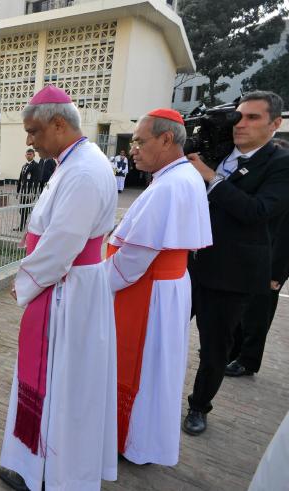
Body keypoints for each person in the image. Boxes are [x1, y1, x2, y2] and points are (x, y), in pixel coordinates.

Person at [0, 85, 118, 491]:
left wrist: (25, 280)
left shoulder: (83, 170)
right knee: (53, 381)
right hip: (63, 286)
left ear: (59, 124)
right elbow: (53, 227)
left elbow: (63, 243)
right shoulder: (73, 161)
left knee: (64, 385)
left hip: (68, 290)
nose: (29, 140)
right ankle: (36, 463)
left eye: (33, 131)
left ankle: (56, 472)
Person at [105, 108, 212, 466]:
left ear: (166, 139)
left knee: (145, 370)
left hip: (148, 292)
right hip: (164, 289)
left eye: (139, 141)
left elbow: (133, 259)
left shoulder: (170, 184)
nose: (133, 149)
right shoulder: (180, 177)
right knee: (157, 370)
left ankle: (134, 442)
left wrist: (95, 286)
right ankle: (144, 440)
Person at [183, 90, 289, 436]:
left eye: (253, 118)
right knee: (161, 330)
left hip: (231, 275)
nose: (240, 124)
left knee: (214, 349)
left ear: (276, 124)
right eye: (239, 116)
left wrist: (209, 176)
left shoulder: (281, 163)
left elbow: (257, 211)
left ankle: (199, 407)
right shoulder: (218, 151)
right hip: (187, 266)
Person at [226, 137, 289, 377]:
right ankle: (233, 352)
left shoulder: (284, 190)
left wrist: (276, 273)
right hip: (255, 259)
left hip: (272, 265)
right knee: (243, 310)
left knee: (257, 317)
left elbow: (285, 237)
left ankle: (248, 360)